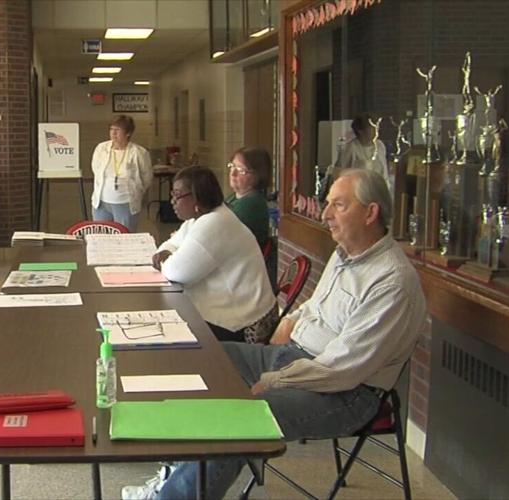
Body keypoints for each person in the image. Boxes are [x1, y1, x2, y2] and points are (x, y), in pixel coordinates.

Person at [123, 168, 427, 500]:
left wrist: (275, 379)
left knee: (244, 416)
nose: (325, 215)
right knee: (196, 358)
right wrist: (288, 323)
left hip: (345, 392)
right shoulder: (345, 255)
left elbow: (343, 369)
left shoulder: (392, 281)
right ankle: (172, 478)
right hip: (295, 358)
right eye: (327, 204)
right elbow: (315, 307)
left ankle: (171, 497)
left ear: (371, 213)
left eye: (338, 205)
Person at [152, 166, 277, 344]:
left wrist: (167, 256)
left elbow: (176, 272)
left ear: (197, 196)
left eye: (178, 195)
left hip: (245, 322)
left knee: (172, 333)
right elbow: (168, 245)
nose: (172, 201)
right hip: (231, 309)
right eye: (172, 194)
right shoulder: (199, 218)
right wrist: (168, 252)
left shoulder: (215, 222)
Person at [90, 115, 153, 232]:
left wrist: (136, 191)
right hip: (101, 203)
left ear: (128, 133)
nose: (113, 133)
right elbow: (95, 169)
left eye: (117, 130)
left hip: (125, 203)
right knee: (101, 238)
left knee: (125, 237)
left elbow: (146, 177)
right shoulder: (101, 148)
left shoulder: (139, 152)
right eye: (111, 129)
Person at [224, 147, 271, 249]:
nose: (233, 173)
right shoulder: (234, 197)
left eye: (241, 170)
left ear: (258, 175)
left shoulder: (252, 203)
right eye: (232, 166)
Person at [335, 114, 391, 188]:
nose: (376, 130)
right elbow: (339, 172)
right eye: (371, 127)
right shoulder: (351, 148)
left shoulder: (380, 146)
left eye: (376, 126)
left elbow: (384, 172)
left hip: (378, 190)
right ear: (360, 131)